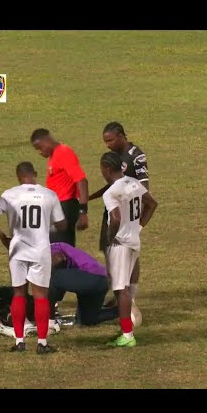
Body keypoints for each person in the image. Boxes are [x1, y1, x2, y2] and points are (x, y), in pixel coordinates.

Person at [0, 161, 67, 354]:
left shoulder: (10, 194)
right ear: (35, 173)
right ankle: (42, 343)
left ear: (18, 177)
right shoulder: (49, 195)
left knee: (18, 294)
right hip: (40, 250)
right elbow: (62, 225)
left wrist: (1, 236)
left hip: (18, 249)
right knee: (41, 295)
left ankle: (19, 341)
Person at [89, 122, 150, 314]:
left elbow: (144, 189)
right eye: (105, 141)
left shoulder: (136, 156)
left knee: (127, 254)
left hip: (126, 214)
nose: (107, 144)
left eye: (110, 140)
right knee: (111, 253)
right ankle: (121, 296)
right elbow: (113, 184)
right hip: (113, 208)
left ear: (122, 136)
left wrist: (138, 224)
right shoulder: (115, 157)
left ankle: (128, 298)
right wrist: (90, 197)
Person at [100, 152, 158, 348]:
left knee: (119, 289)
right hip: (134, 240)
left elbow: (115, 218)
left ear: (107, 169)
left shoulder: (111, 192)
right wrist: (139, 227)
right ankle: (126, 330)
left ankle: (127, 334)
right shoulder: (133, 182)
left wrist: (110, 237)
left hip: (120, 244)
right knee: (123, 288)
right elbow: (151, 203)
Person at [30, 128, 89, 247]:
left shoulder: (64, 153)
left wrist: (83, 211)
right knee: (56, 246)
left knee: (61, 248)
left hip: (65, 207)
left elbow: (81, 181)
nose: (40, 152)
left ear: (46, 140)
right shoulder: (55, 155)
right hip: (59, 206)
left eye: (39, 148)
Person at [49, 243, 119, 326]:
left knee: (50, 279)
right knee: (86, 320)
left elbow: (59, 259)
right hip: (100, 280)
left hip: (92, 276)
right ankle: (123, 309)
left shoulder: (49, 248)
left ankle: (50, 322)